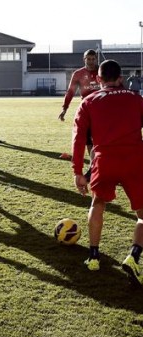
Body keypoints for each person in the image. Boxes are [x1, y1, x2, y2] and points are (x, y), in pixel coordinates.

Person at [72, 59, 143, 286]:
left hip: (104, 161)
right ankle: (134, 255)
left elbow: (78, 139)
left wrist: (77, 172)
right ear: (121, 78)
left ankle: (93, 257)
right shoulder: (136, 99)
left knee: (97, 204)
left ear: (99, 80)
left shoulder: (88, 102)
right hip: (134, 159)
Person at [58, 49, 100, 179]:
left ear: (96, 59)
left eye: (93, 59)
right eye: (89, 59)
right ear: (84, 59)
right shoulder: (78, 74)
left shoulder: (102, 71)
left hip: (102, 111)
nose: (91, 61)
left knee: (102, 141)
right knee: (89, 142)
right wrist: (65, 108)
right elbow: (70, 92)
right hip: (87, 111)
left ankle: (102, 167)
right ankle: (94, 167)